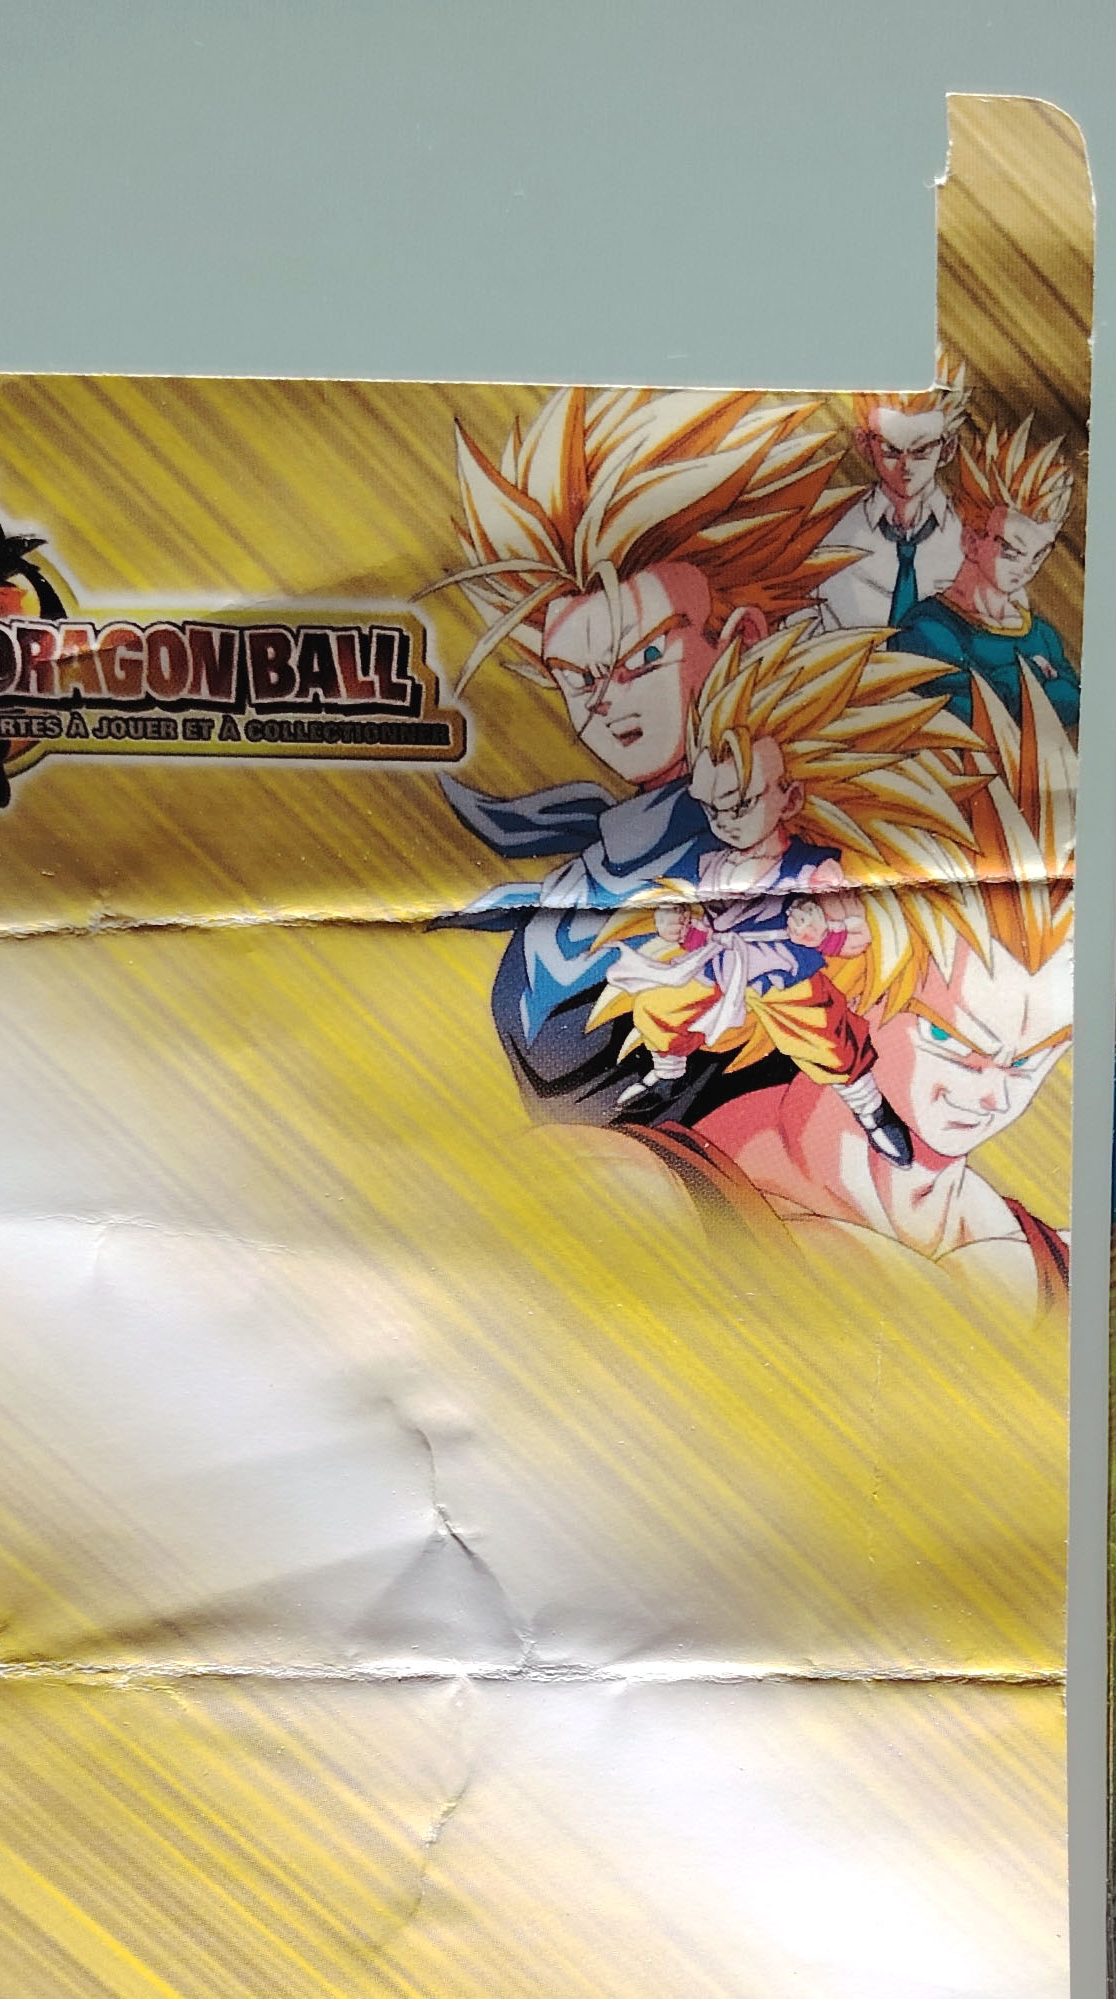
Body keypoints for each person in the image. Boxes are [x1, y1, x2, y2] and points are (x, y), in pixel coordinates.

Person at [432, 387, 849, 1125]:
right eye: (576, 676)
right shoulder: (599, 852)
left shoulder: (774, 841)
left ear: (742, 640)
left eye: (643, 658)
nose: (602, 701)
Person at [686, 681, 1075, 1308]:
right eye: (949, 1038)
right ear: (861, 982)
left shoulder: (1050, 1261)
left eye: (1028, 1061)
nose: (991, 1097)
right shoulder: (679, 1194)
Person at [589, 619, 983, 1166]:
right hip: (717, 969)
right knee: (658, 1009)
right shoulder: (714, 864)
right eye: (714, 809)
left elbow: (857, 934)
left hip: (786, 979)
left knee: (830, 1045)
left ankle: (871, 1112)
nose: (726, 821)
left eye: (741, 804)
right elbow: (711, 926)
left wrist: (823, 932)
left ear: (790, 798)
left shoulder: (814, 870)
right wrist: (683, 929)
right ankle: (666, 1075)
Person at [890, 414, 1079, 732]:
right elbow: (975, 717)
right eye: (1013, 551)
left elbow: (1073, 702)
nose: (1028, 568)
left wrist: (1006, 685)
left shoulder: (1041, 635)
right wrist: (1036, 681)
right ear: (971, 542)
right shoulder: (926, 628)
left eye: (1039, 555)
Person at [811, 359, 972, 633]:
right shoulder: (832, 532)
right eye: (891, 450)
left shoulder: (973, 539)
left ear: (947, 449)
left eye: (921, 450)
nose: (905, 466)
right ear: (865, 444)